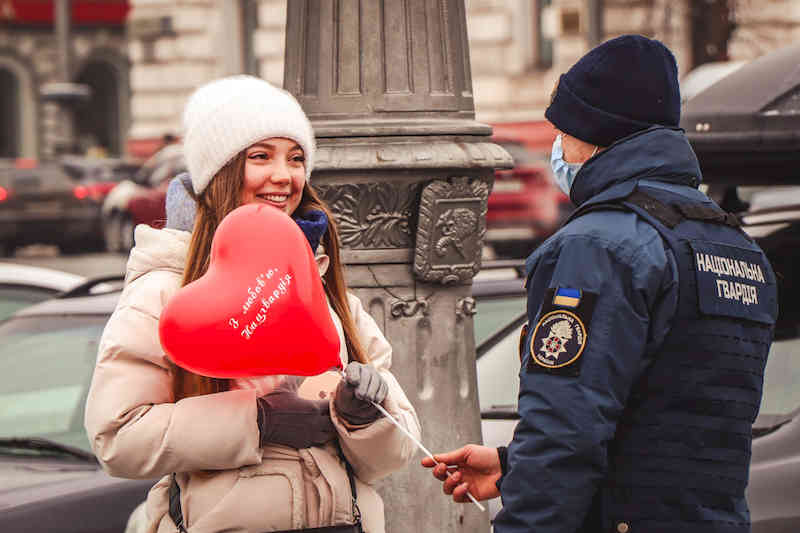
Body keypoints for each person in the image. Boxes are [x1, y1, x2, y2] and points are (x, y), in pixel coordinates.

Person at [423, 35, 778, 533]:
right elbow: (672, 418)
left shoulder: (598, 246)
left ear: (596, 135)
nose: (559, 149)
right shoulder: (736, 246)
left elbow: (566, 430)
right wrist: (514, 463)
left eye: (564, 133)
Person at [85, 75, 421, 533]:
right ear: (218, 174)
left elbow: (396, 452)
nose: (284, 176)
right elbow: (117, 438)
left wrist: (361, 418)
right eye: (260, 157)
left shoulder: (323, 288)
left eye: (296, 158)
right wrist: (258, 421)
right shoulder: (167, 291)